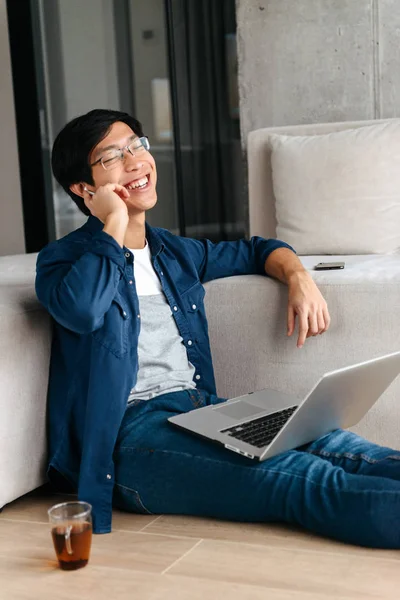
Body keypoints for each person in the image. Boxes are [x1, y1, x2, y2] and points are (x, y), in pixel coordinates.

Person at [36, 109, 400, 549]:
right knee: (301, 479)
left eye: (137, 145)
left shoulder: (173, 251)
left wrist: (299, 278)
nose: (135, 161)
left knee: (341, 446)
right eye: (113, 156)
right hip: (131, 438)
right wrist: (112, 222)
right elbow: (84, 311)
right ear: (83, 188)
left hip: (200, 409)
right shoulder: (62, 261)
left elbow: (258, 250)